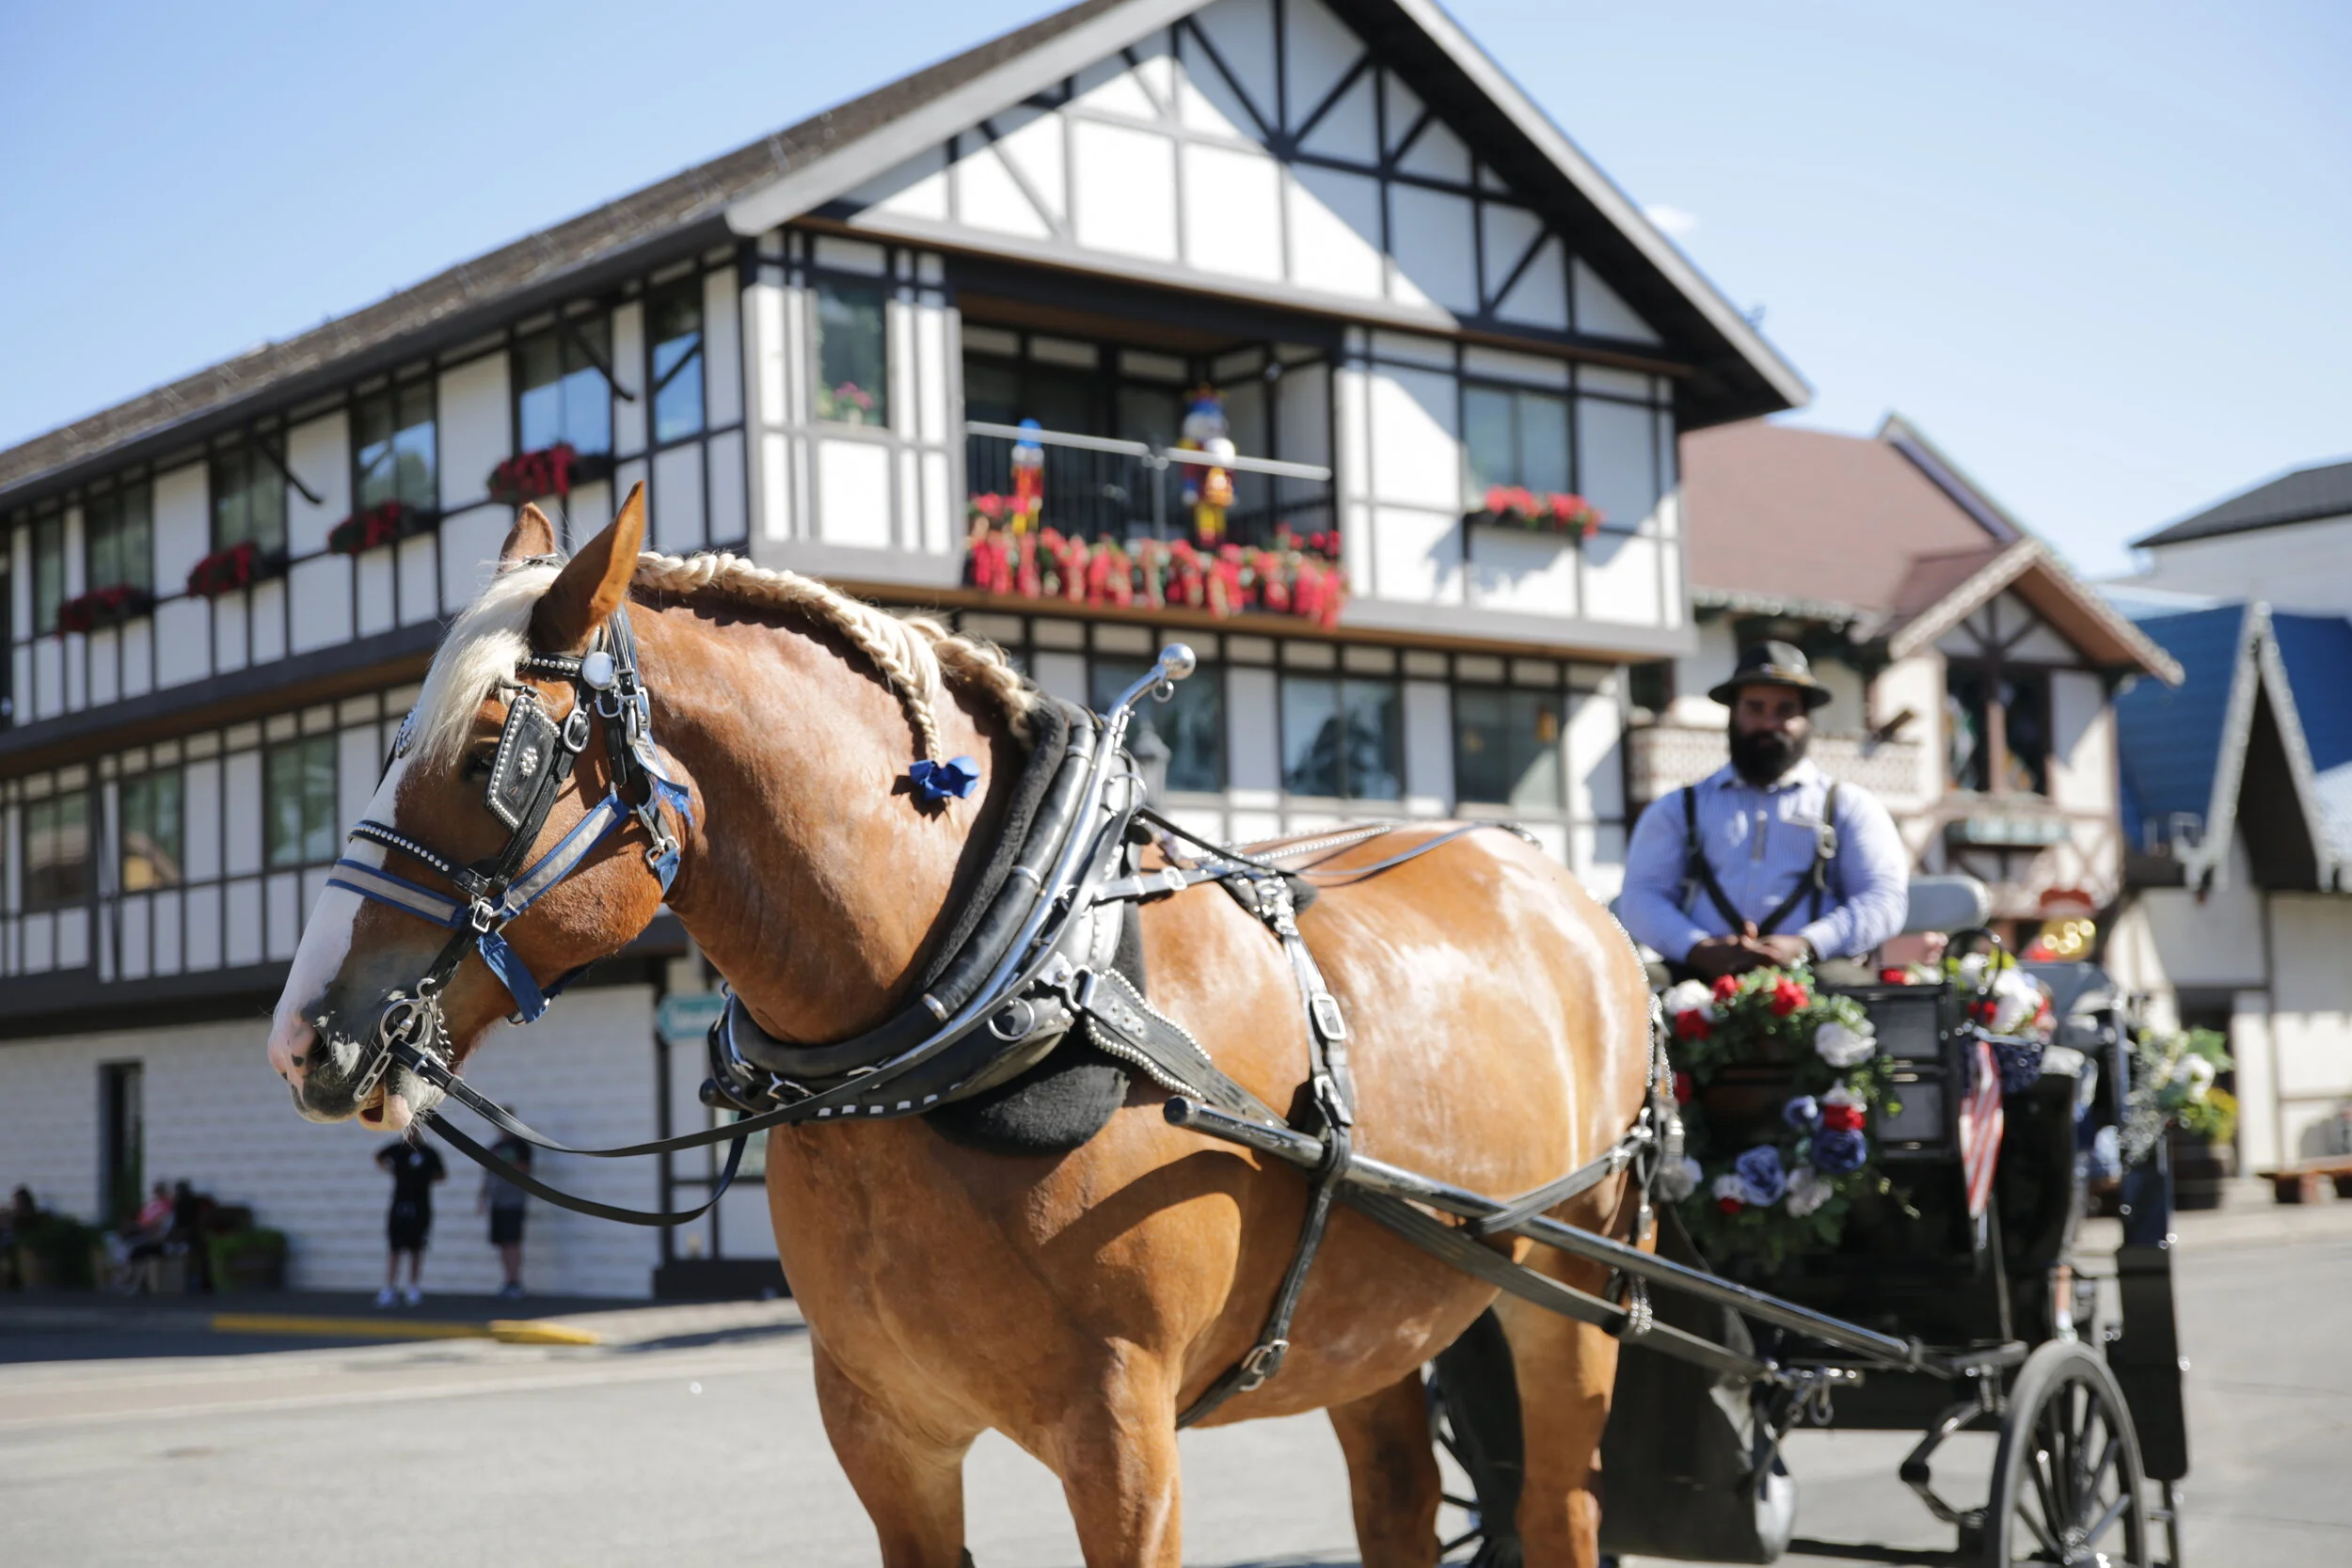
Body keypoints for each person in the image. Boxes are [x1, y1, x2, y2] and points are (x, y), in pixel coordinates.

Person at [1621, 641, 1908, 985]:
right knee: (1635, 988)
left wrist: (1807, 944)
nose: (1769, 723)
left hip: (1814, 972)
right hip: (1700, 973)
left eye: (1785, 710)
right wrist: (1698, 947)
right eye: (1755, 708)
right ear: (1733, 714)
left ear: (1806, 721)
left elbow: (1883, 898)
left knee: (1853, 995)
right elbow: (1641, 896)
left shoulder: (1850, 806)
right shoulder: (1678, 808)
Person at [374, 1135, 446, 1307]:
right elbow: (379, 1156)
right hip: (400, 1203)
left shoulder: (429, 1152)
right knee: (395, 1247)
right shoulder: (397, 1149)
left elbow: (442, 1174)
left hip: (420, 1205)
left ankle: (413, 1287)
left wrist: (424, 1177)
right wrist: (390, 1169)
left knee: (417, 1248)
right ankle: (389, 1287)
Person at [477, 1110, 532, 1300]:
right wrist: (482, 1198)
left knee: (513, 1242)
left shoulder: (521, 1146)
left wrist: (508, 1163)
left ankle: (516, 1281)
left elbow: (526, 1169)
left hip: (513, 1201)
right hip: (497, 1200)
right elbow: (487, 1175)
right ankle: (508, 1280)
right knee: (501, 1243)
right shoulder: (495, 1147)